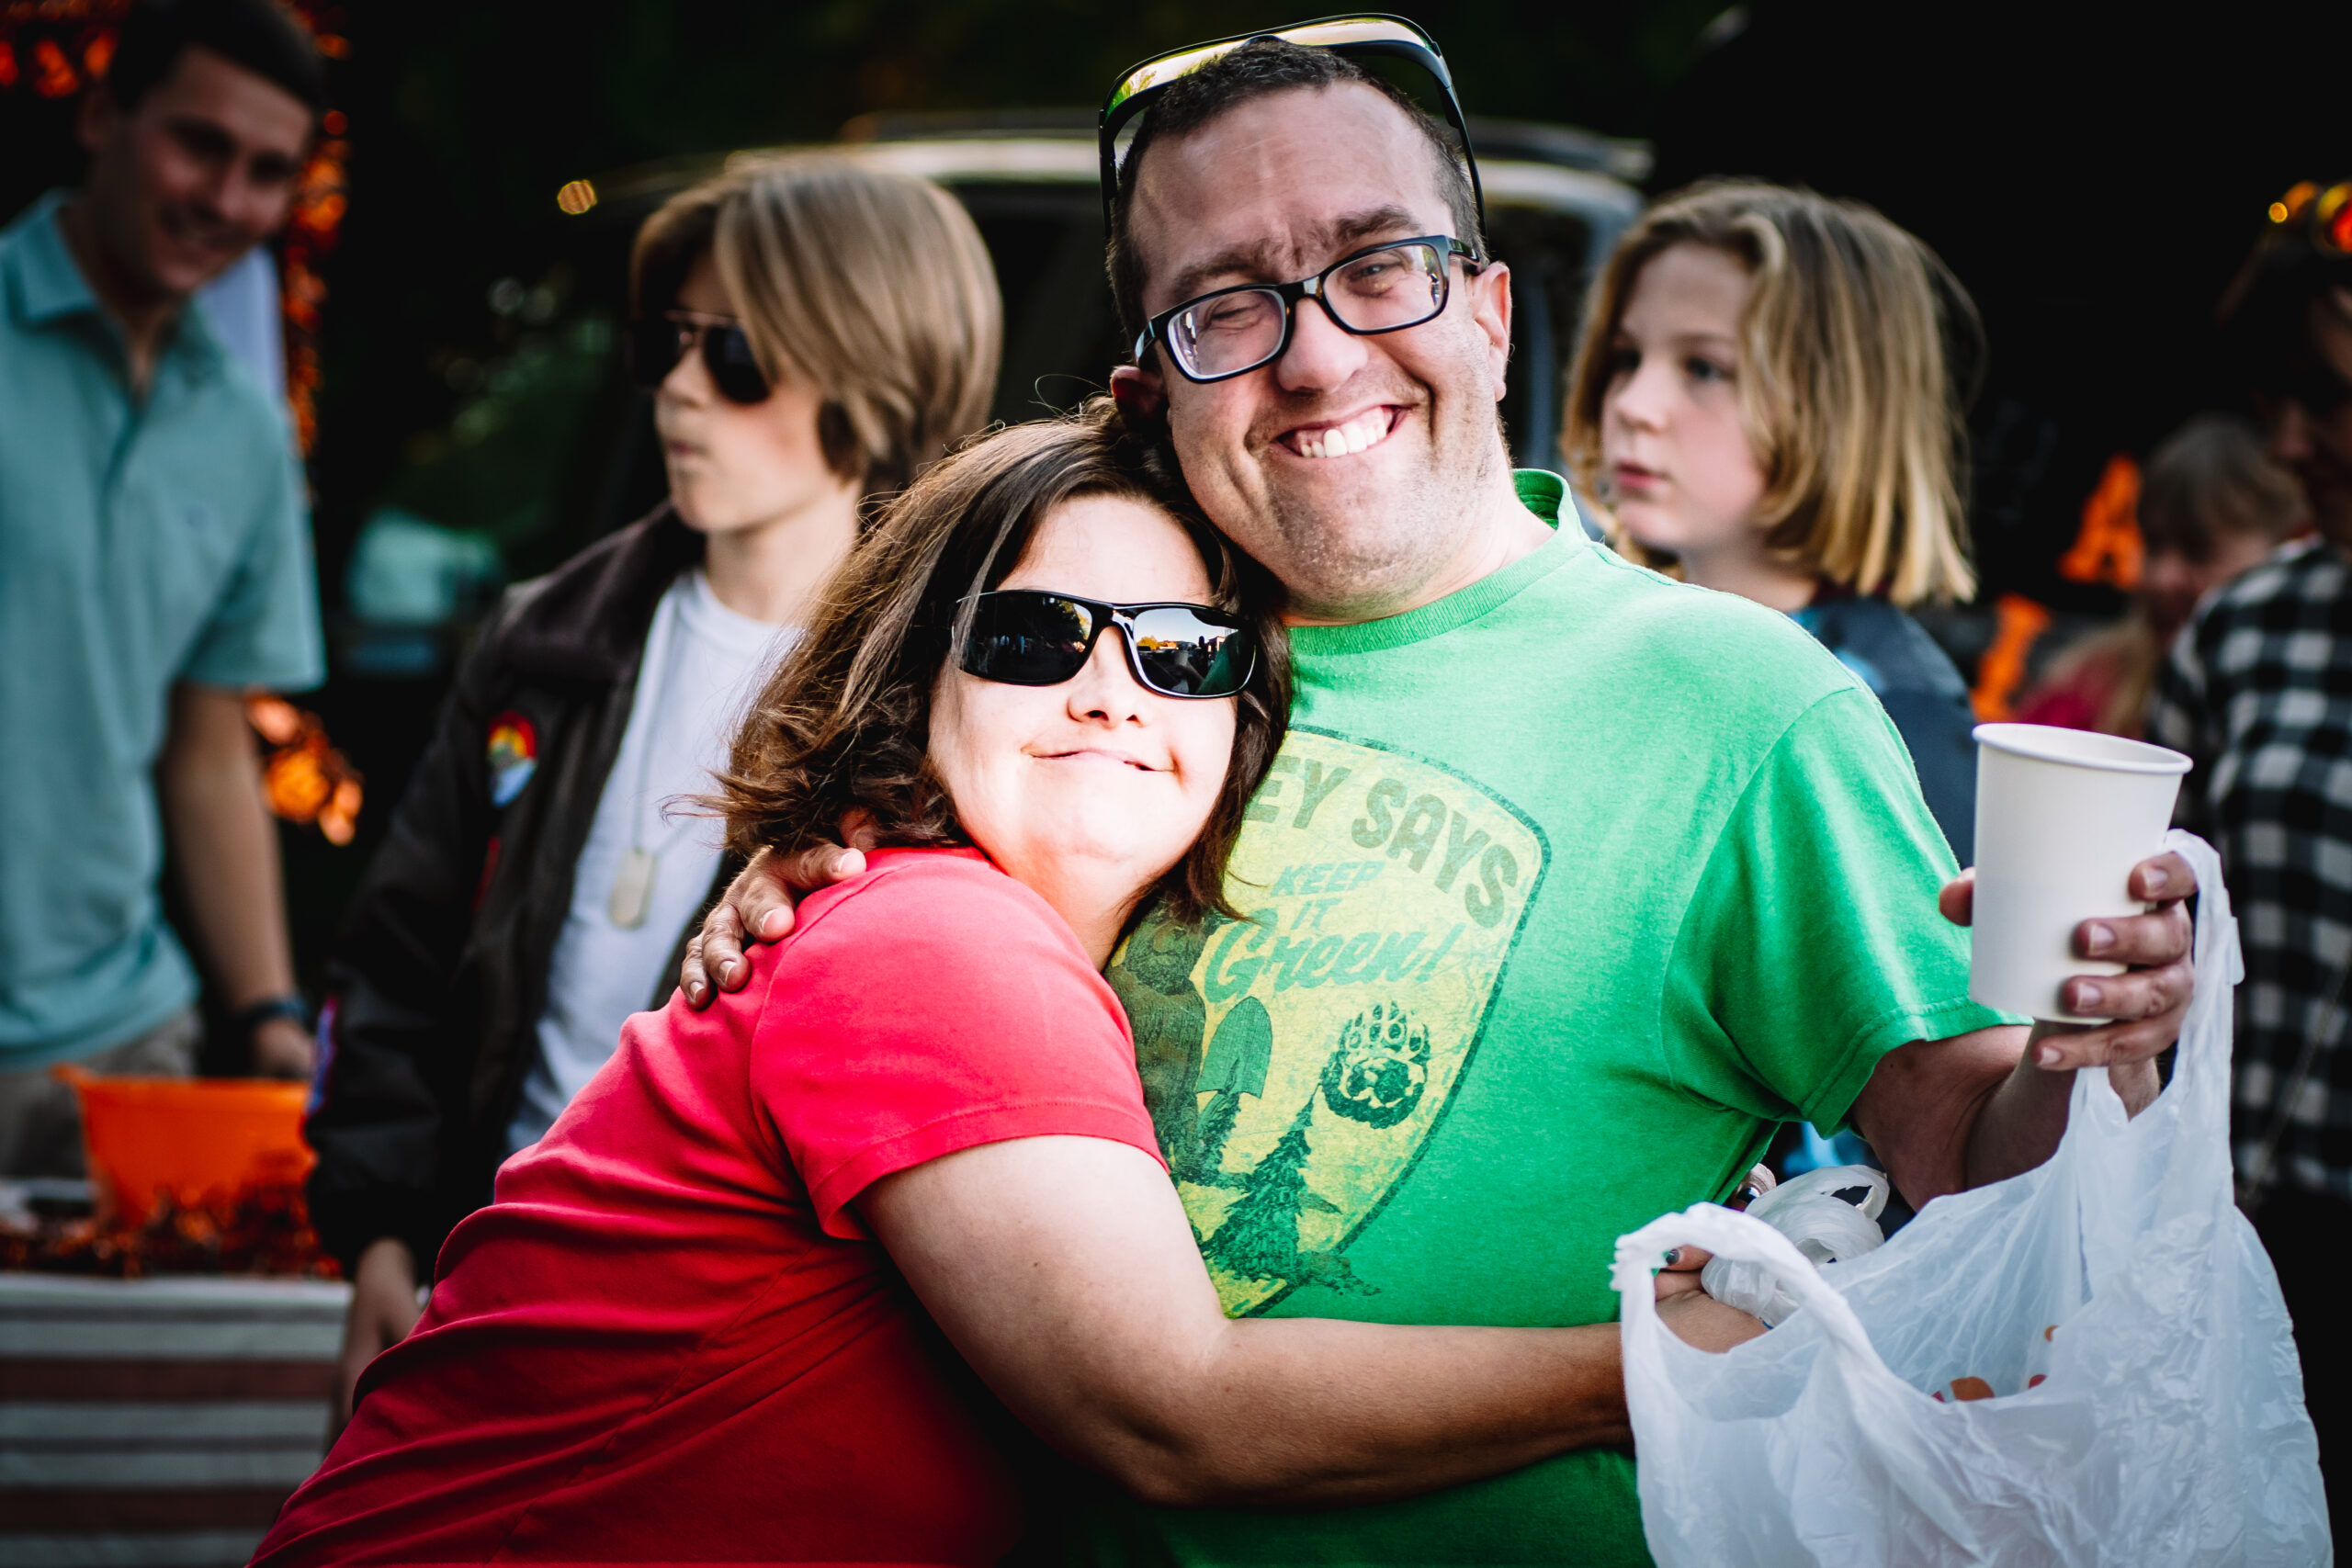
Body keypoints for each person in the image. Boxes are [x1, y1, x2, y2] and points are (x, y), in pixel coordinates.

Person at [684, 28, 2198, 1566]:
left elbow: (1974, 1167)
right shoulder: (1111, 659)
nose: (1320, 353)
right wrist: (803, 874)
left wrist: (2094, 1052)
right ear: (1148, 391)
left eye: (1378, 264)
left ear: (1489, 309)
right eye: (1228, 300)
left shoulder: (1737, 704)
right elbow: (897, 948)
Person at [252, 403, 1767, 1566]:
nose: (1110, 687)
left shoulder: (1002, 939)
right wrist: (1647, 1359)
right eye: (1038, 637)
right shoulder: (932, 944)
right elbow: (1172, 1414)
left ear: (1247, 717)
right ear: (915, 688)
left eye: (1181, 653)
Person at [300, 154, 1001, 1424]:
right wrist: (384, 1241)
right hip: (468, 1305)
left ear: (875, 365)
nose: (679, 386)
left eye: (734, 352)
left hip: (713, 1371)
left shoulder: (952, 705)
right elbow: (396, 960)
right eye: (665, 341)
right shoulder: (542, 639)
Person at [0, 0, 325, 1177]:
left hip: (129, 1045)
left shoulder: (244, 427)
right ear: (101, 117)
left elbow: (206, 744)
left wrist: (269, 1017)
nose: (227, 201)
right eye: (199, 144)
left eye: (267, 172)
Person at [1561, 180, 1984, 861]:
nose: (1636, 403)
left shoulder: (1893, 712)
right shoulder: (1587, 629)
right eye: (1627, 358)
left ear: (1837, 404)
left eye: (1704, 367)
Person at [2149, 177, 2352, 1538]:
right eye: (2277, 397)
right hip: (2248, 1226)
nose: (2290, 441)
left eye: (2327, 397)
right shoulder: (2244, 629)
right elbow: (2150, 916)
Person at [2022, 414, 2305, 737]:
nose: (2161, 578)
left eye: (2198, 551)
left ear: (2290, 549)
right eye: (2153, 547)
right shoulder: (2084, 692)